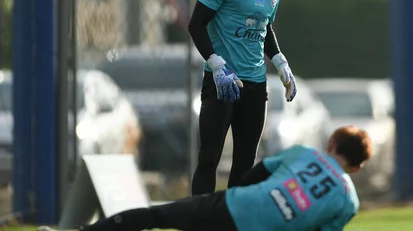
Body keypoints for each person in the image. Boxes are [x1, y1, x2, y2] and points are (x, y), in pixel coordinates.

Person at [38, 126, 373, 231]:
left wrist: (231, 198)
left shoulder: (305, 153)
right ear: (357, 168)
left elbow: (257, 173)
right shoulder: (349, 201)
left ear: (331, 144)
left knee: (160, 216)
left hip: (238, 206)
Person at [187, 0, 298, 195]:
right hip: (223, 82)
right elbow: (196, 24)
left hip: (255, 85)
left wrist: (281, 62)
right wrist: (215, 64)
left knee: (245, 164)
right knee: (209, 158)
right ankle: (199, 222)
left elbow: (264, 29)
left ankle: (234, 222)